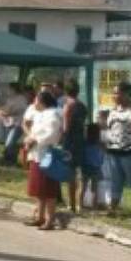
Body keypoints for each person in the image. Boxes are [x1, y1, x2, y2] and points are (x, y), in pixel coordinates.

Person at [104, 81, 131, 215]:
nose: (115, 96)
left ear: (126, 94)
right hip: (114, 152)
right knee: (115, 182)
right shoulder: (113, 110)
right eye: (114, 93)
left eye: (117, 93)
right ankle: (112, 209)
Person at [24, 91, 65, 230]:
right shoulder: (41, 114)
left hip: (47, 155)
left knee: (48, 189)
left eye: (36, 99)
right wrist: (30, 139)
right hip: (37, 154)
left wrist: (35, 140)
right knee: (39, 189)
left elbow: (52, 134)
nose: (34, 102)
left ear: (42, 101)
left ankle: (50, 219)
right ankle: (40, 216)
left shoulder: (53, 114)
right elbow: (35, 131)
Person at [60, 80, 89, 214]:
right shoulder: (82, 106)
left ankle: (71, 204)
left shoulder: (68, 106)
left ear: (66, 91)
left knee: (70, 173)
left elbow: (65, 127)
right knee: (80, 173)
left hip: (69, 141)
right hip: (80, 140)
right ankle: (79, 204)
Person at [0, 83, 29, 166]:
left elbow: (16, 110)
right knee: (10, 143)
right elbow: (5, 109)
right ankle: (10, 161)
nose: (7, 91)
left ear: (13, 89)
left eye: (9, 89)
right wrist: (3, 112)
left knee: (10, 142)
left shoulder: (22, 98)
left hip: (18, 124)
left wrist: (6, 112)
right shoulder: (9, 99)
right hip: (8, 123)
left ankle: (9, 160)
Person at [81, 123, 106, 211]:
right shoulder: (100, 144)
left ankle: (80, 205)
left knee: (83, 186)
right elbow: (103, 154)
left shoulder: (84, 143)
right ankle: (94, 206)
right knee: (95, 188)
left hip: (85, 166)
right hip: (96, 167)